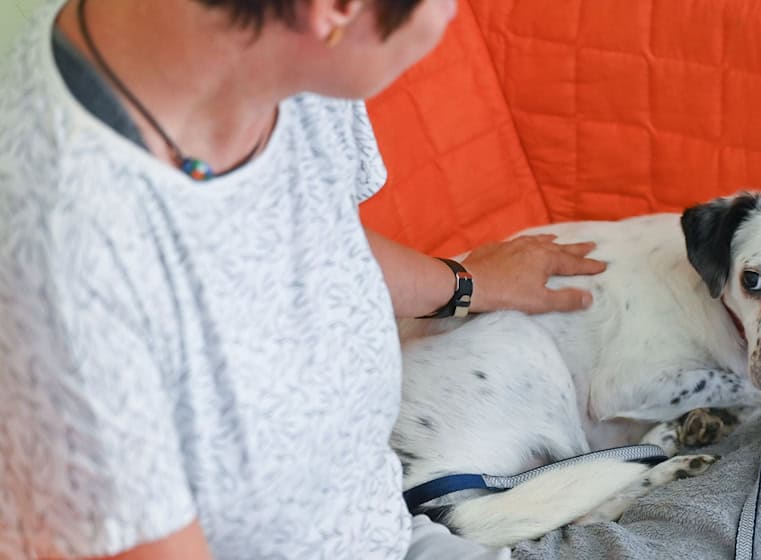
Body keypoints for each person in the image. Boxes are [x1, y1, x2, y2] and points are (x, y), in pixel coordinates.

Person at [0, 1, 606, 559]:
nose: (454, 14)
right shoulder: (62, 258)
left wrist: (464, 284)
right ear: (335, 10)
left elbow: (316, 231)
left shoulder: (277, 54)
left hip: (388, 524)